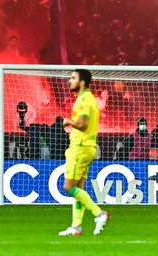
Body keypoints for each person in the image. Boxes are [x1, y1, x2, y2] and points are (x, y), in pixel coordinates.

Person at [58, 69, 110, 236]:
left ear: (82, 82)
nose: (69, 81)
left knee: (68, 187)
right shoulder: (90, 98)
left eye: (73, 78)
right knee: (79, 189)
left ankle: (98, 213)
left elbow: (82, 124)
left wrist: (68, 121)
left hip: (80, 147)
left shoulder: (83, 100)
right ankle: (76, 226)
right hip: (88, 146)